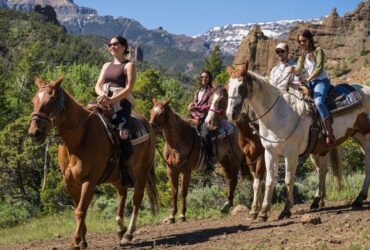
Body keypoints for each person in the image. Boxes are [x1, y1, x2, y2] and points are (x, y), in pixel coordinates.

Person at [95, 35, 135, 187]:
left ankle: (127, 170)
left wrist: (112, 100)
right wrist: (102, 95)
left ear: (124, 46)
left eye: (115, 44)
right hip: (103, 100)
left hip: (121, 104)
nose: (111, 47)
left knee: (123, 135)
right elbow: (98, 85)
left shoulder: (129, 65)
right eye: (109, 44)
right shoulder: (106, 65)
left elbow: (129, 88)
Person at [292, 29, 335, 145]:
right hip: (310, 83)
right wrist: (293, 71)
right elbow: (298, 69)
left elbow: (319, 68)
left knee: (319, 102)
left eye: (303, 41)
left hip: (321, 82)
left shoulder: (318, 51)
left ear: (310, 40)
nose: (301, 43)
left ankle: (329, 131)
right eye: (299, 41)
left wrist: (307, 79)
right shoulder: (302, 55)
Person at [188, 70, 215, 171]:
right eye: (202, 77)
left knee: (206, 135)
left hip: (207, 116)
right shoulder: (198, 91)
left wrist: (197, 109)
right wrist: (191, 106)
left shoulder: (212, 91)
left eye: (206, 77)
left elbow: (210, 106)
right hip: (195, 115)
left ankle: (210, 161)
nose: (204, 79)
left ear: (209, 79)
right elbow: (196, 103)